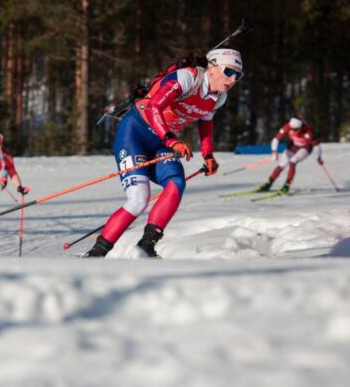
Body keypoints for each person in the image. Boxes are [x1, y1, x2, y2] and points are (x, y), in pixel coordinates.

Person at [84, 47, 244, 258]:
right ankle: (97, 254)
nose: (232, 80)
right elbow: (153, 108)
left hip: (161, 142)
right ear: (212, 68)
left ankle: (147, 245)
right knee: (138, 199)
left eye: (238, 75)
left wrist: (208, 155)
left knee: (176, 182)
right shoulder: (187, 77)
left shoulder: (218, 98)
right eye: (229, 72)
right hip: (134, 135)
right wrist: (171, 140)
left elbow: (206, 124)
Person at [257, 116, 322, 193]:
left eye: (296, 130)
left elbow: (317, 145)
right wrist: (274, 151)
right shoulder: (287, 127)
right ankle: (269, 183)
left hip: (305, 147)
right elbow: (276, 139)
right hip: (293, 146)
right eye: (292, 129)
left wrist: (318, 157)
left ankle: (287, 185)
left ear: (300, 127)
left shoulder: (308, 132)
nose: (293, 131)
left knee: (293, 162)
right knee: (282, 164)